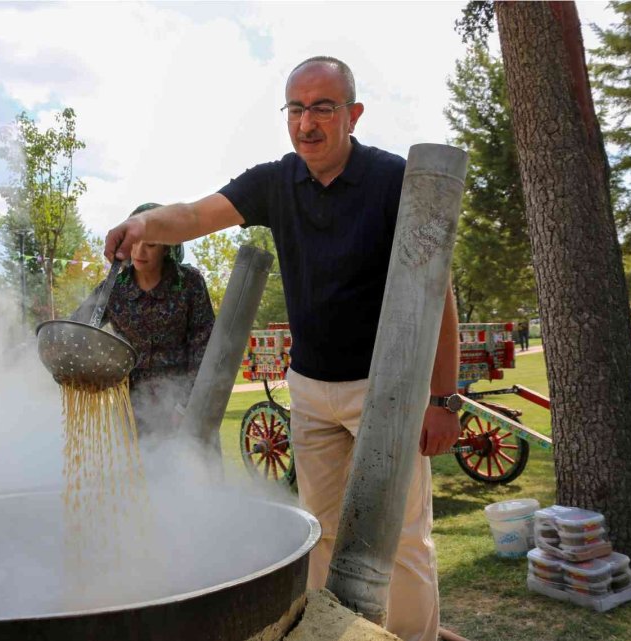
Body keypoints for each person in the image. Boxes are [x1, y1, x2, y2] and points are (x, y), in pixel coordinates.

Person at [103, 58, 460, 641]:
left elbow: (437, 291)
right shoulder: (275, 182)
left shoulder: (394, 179)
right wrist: (145, 225)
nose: (307, 123)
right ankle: (340, 634)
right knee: (318, 529)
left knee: (402, 536)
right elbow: (196, 215)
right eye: (296, 108)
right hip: (311, 390)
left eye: (323, 107)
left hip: (387, 388)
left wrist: (444, 398)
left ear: (353, 114)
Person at [75, 203, 215, 438]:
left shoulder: (189, 284)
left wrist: (185, 404)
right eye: (135, 244)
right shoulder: (113, 289)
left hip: (183, 405)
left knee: (187, 471)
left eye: (150, 245)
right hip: (132, 409)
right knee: (138, 472)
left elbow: (204, 348)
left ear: (167, 247)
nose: (139, 252)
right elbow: (78, 328)